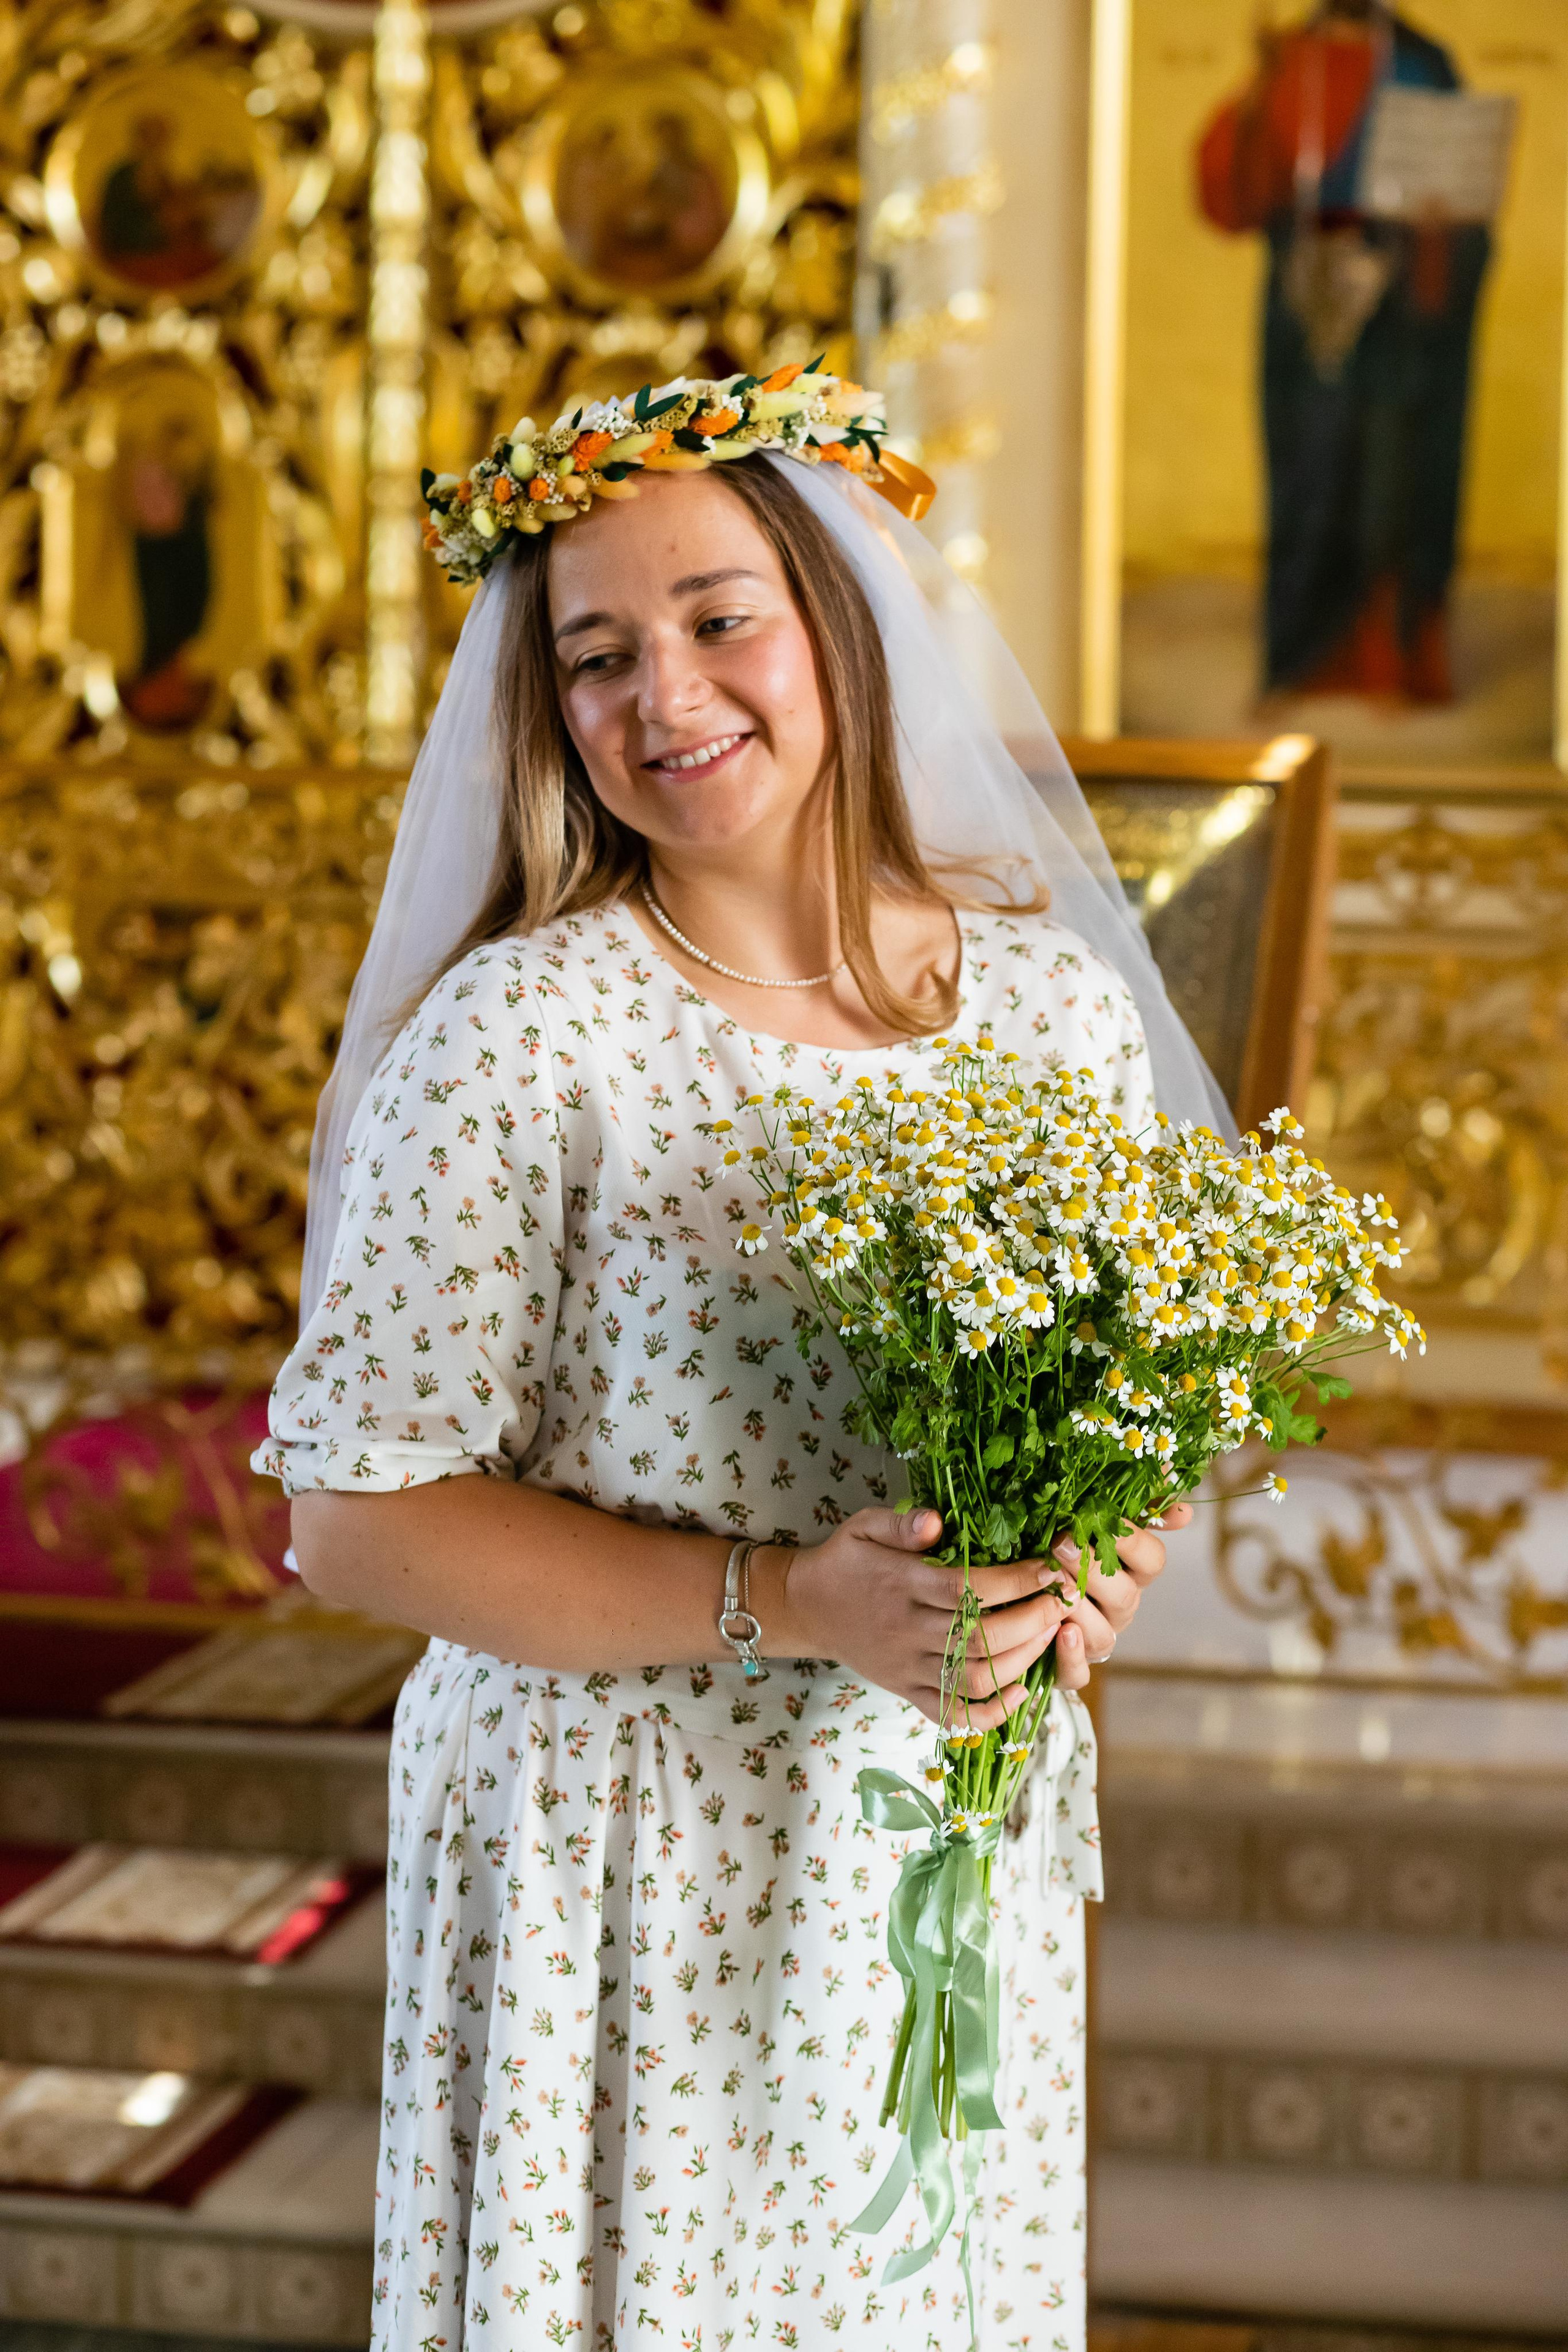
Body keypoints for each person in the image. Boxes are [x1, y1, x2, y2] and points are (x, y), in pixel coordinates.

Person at [256, 377, 1227, 2348]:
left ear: (841, 624)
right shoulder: (523, 1038)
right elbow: (349, 1523)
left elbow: (1121, 1411)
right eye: (594, 653)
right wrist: (788, 1597)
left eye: (717, 617)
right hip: (611, 1862)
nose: (662, 692)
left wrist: (1093, 1559)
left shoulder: (1049, 1013)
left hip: (926, 1838)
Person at [1197, 1, 1491, 703]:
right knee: (1309, 473)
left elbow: (1466, 182)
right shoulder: (1289, 55)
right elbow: (1238, 188)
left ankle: (1390, 659)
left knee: (1395, 481)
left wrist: (1439, 222)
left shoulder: (1424, 62)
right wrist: (1254, 105)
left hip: (1399, 312)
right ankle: (1300, 660)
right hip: (1305, 304)